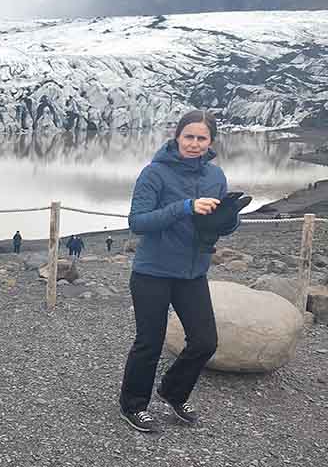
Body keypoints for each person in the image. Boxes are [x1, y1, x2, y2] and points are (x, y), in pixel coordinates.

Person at [118, 109, 240, 433]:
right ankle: (133, 404)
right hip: (152, 271)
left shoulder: (216, 176)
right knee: (150, 342)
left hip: (192, 271)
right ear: (177, 136)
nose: (195, 143)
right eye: (189, 136)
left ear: (211, 141)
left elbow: (214, 226)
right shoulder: (154, 173)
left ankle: (172, 391)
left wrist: (229, 218)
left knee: (205, 342)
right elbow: (138, 222)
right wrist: (185, 207)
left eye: (202, 138)